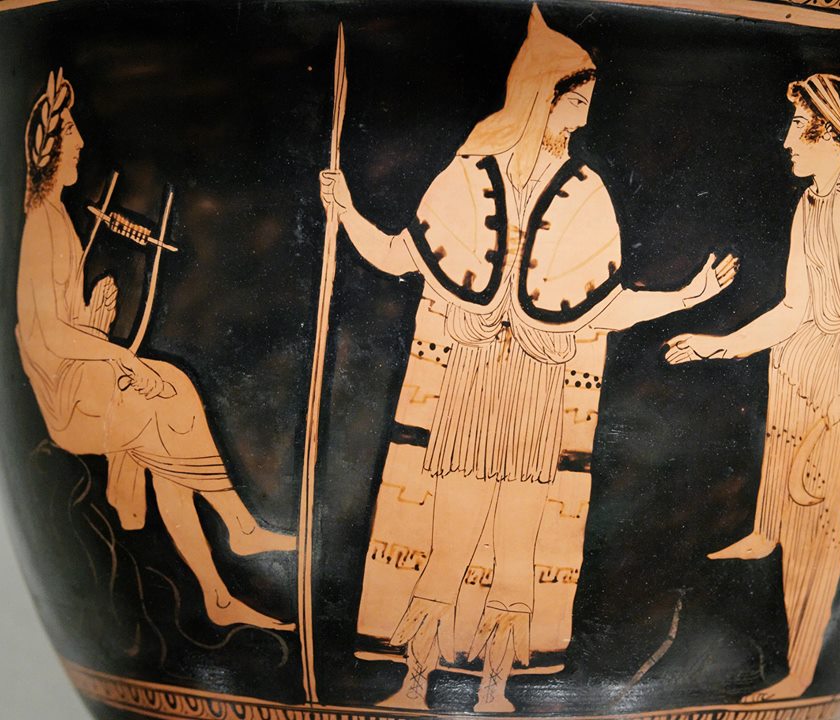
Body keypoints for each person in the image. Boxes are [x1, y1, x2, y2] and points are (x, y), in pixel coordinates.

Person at [321, 6, 736, 712]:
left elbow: (603, 305)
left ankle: (494, 691)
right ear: (542, 95)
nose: (583, 115)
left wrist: (684, 297)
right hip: (471, 388)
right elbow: (397, 256)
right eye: (576, 100)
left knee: (515, 548)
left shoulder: (588, 193)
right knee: (448, 543)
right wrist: (345, 211)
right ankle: (415, 685)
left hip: (536, 393)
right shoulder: (464, 178)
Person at [16, 69, 296, 632]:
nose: (81, 143)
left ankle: (216, 594)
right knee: (172, 396)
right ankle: (240, 528)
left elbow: (63, 325)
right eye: (72, 135)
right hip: (64, 400)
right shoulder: (44, 224)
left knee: (170, 444)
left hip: (77, 377)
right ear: (53, 151)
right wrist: (118, 356)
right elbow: (45, 336)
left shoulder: (57, 220)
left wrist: (95, 319)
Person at [665, 74, 840, 702]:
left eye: (797, 128)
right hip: (809, 357)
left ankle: (801, 669)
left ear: (825, 133)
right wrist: (720, 344)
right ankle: (769, 526)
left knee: (817, 528)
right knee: (790, 493)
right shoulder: (811, 202)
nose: (788, 140)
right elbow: (794, 307)